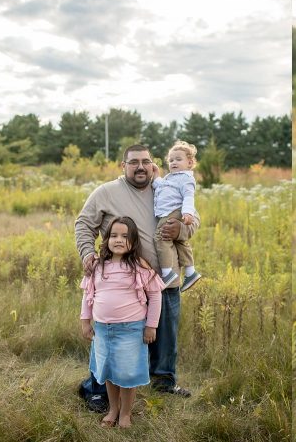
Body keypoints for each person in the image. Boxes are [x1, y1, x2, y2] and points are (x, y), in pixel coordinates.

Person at [75, 145, 198, 413]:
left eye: (145, 161)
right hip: (124, 285)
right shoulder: (107, 192)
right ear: (123, 165)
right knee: (114, 338)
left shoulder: (166, 186)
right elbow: (84, 224)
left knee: (165, 337)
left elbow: (192, 220)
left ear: (153, 165)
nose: (140, 167)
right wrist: (87, 253)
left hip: (165, 279)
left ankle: (164, 383)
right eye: (134, 162)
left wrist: (182, 229)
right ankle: (97, 389)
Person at [79, 216, 164, 428]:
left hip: (131, 330)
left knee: (127, 373)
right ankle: (113, 409)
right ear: (106, 239)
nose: (118, 240)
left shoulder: (139, 266)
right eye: (114, 235)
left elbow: (155, 295)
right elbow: (88, 295)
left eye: (125, 236)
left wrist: (151, 325)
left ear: (134, 242)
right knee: (108, 371)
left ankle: (125, 413)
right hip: (102, 330)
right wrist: (85, 321)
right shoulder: (98, 267)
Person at [153, 140, 203, 292]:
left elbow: (188, 197)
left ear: (189, 162)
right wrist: (156, 175)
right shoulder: (170, 178)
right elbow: (160, 185)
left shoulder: (186, 178)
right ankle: (190, 272)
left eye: (178, 159)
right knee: (180, 242)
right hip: (170, 211)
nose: (174, 162)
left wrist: (188, 213)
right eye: (171, 160)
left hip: (173, 211)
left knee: (161, 237)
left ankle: (167, 273)